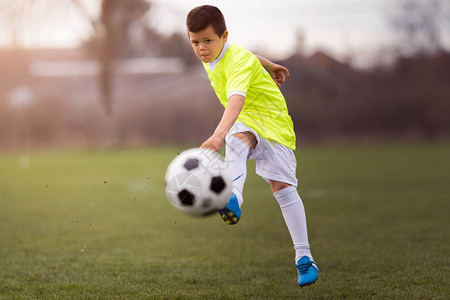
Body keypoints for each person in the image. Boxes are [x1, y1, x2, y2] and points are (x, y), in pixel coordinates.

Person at [186, 5, 320, 287]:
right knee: (237, 144)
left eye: (207, 41)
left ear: (223, 36)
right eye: (195, 42)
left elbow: (236, 99)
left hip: (272, 122)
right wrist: (268, 64)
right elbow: (247, 55)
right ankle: (233, 198)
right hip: (248, 122)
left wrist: (216, 136)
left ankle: (304, 257)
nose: (201, 49)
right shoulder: (214, 53)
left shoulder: (236, 61)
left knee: (282, 189)